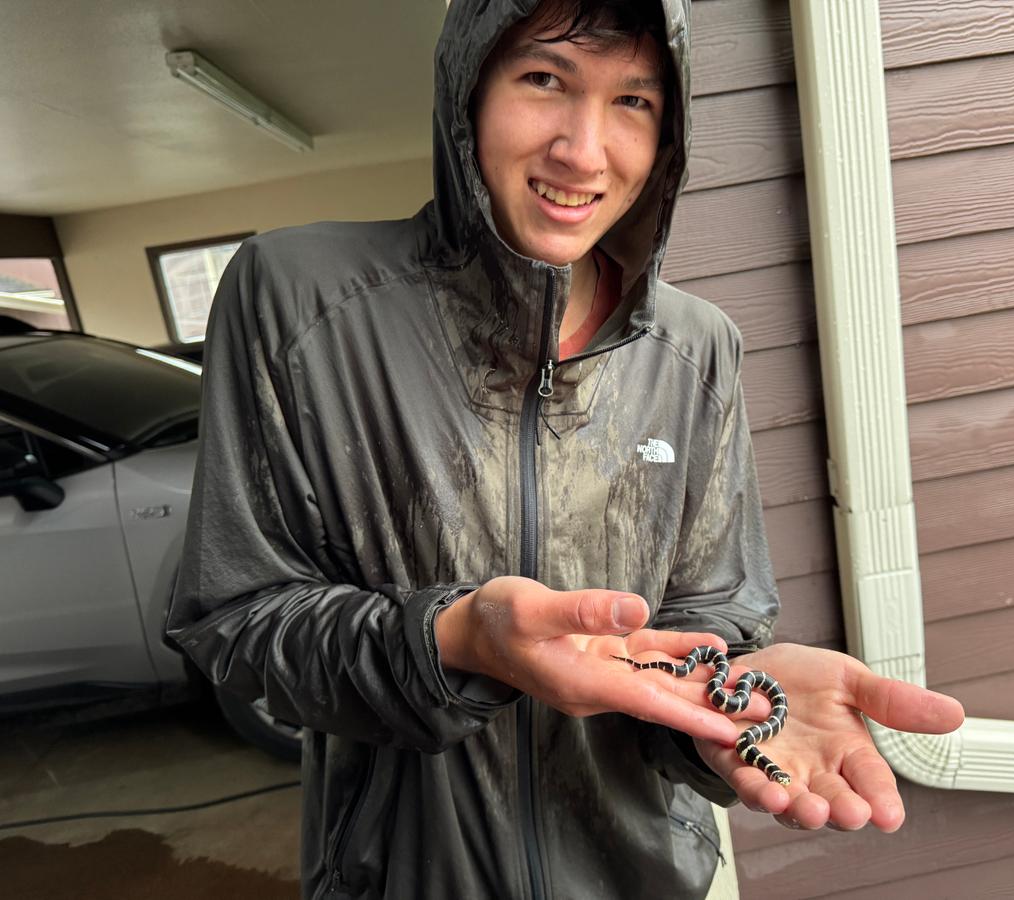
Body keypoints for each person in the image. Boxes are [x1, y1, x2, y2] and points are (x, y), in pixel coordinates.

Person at [165, 0, 964, 897]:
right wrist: (458, 640)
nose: (584, 152)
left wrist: (727, 705)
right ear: (468, 89)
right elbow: (237, 618)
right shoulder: (299, 299)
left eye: (634, 102)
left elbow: (713, 624)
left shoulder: (698, 349)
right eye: (545, 79)